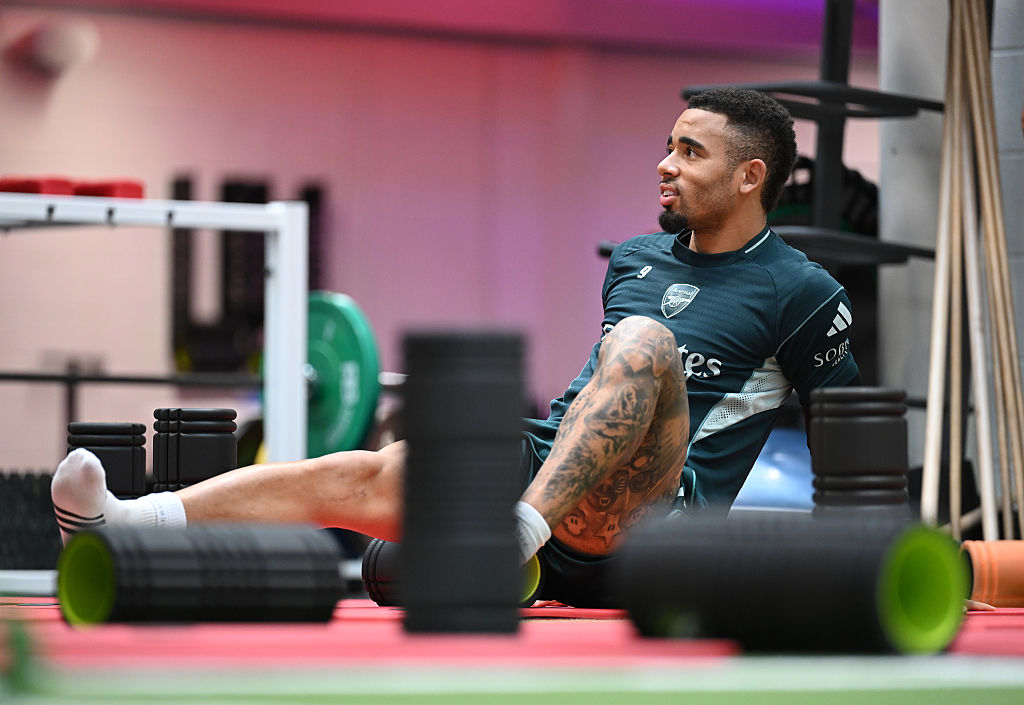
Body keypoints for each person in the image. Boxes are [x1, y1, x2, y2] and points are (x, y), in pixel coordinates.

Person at [52, 87, 858, 607]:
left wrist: (852, 573)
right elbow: (600, 397)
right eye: (669, 144)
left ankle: (515, 534)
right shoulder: (635, 259)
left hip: (653, 524)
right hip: (545, 482)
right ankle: (127, 521)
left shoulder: (801, 291)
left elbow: (851, 443)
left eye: (690, 152)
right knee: (374, 465)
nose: (664, 164)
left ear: (751, 176)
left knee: (646, 342)